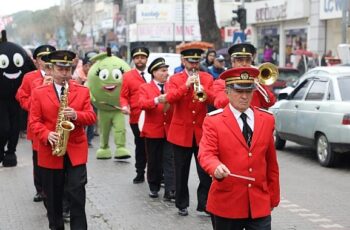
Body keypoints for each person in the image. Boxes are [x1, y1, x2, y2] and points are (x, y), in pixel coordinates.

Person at [198, 66, 280, 230]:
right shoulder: (214, 121)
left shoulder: (266, 119)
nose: (244, 96)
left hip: (259, 203)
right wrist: (215, 167)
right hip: (227, 203)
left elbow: (271, 163)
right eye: (238, 91)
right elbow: (206, 153)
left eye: (249, 91)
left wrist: (273, 197)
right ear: (227, 92)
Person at [29, 50, 96, 230]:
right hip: (51, 150)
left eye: (68, 69)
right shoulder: (38, 93)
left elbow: (91, 117)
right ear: (50, 69)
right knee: (53, 198)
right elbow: (34, 122)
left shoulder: (82, 91)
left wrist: (76, 114)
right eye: (60, 69)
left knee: (77, 194)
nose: (65, 73)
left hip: (75, 150)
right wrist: (46, 134)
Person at [165, 48, 215, 216]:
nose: (194, 65)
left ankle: (205, 204)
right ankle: (181, 204)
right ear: (183, 61)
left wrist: (203, 90)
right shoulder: (175, 79)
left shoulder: (207, 77)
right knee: (181, 170)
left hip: (202, 132)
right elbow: (170, 98)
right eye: (190, 61)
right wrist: (186, 86)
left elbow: (214, 99)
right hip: (181, 133)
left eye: (196, 62)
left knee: (205, 171)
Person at [16, 44, 56, 203]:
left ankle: (56, 191)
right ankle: (41, 190)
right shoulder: (29, 77)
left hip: (56, 125)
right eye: (42, 58)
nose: (46, 62)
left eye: (49, 58)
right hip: (37, 125)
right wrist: (33, 105)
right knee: (38, 159)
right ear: (36, 61)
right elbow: (21, 98)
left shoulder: (61, 75)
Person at [138, 57, 175, 201]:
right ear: (154, 73)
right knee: (153, 161)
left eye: (167, 70)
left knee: (169, 160)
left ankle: (170, 191)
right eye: (163, 71)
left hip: (170, 130)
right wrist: (155, 100)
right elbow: (141, 104)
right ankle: (154, 186)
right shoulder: (145, 88)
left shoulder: (171, 87)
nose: (166, 73)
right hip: (153, 131)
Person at [213, 43, 276, 109]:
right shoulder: (220, 82)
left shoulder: (256, 82)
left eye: (248, 60)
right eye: (240, 60)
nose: (244, 64)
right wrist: (234, 85)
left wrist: (259, 82)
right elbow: (219, 104)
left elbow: (270, 102)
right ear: (233, 63)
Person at [120, 47, 150, 184]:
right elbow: (123, 96)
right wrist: (124, 106)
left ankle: (156, 173)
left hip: (154, 116)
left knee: (154, 146)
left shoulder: (153, 73)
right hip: (136, 117)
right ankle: (140, 172)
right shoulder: (127, 76)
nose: (140, 60)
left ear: (146, 59)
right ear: (133, 59)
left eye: (142, 57)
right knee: (140, 145)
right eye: (137, 57)